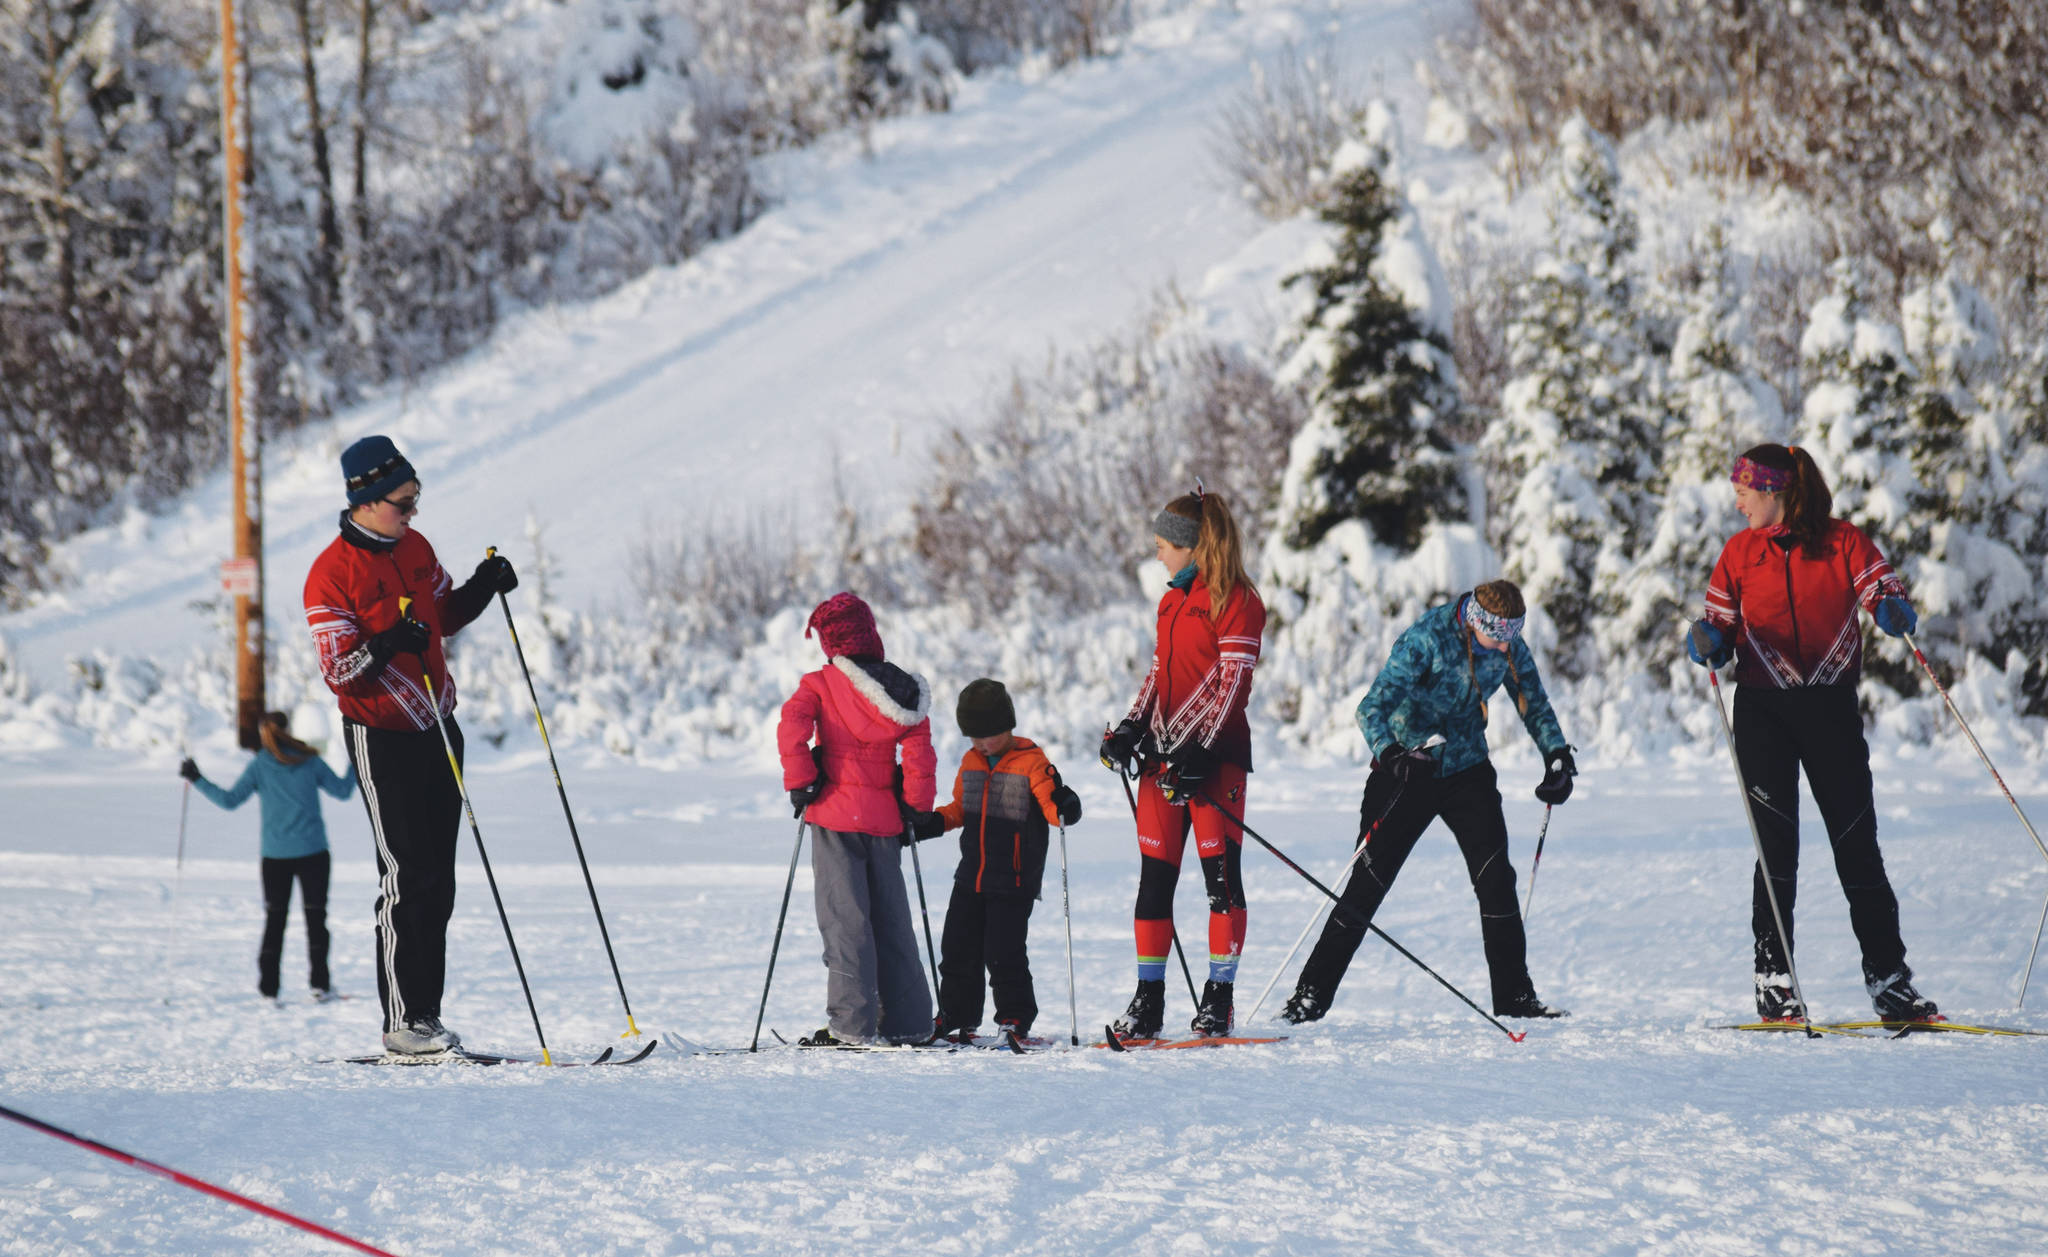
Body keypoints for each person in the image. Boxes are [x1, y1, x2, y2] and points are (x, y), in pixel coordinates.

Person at [1688, 442, 1940, 1024]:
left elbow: (1882, 589)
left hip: (1830, 711)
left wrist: (1891, 609)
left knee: (1858, 848)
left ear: (1775, 490)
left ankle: (1891, 984)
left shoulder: (1842, 541)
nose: (1738, 504)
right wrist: (1708, 642)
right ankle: (1776, 985)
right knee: (1776, 852)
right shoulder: (1738, 553)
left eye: (1744, 493)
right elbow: (1720, 626)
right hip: (1762, 714)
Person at [302, 434, 517, 1055]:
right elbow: (339, 672)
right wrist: (389, 641)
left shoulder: (416, 547)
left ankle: (426, 1016)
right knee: (405, 876)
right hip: (381, 735)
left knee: (438, 881)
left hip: (438, 728)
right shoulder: (330, 575)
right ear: (365, 500)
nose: (413, 511)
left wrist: (483, 584)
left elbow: (444, 613)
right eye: (402, 501)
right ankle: (402, 1022)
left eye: (416, 497)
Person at [1282, 579, 1574, 1025]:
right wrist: (1392, 753)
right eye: (1497, 635)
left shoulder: (1508, 642)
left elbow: (1531, 700)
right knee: (1366, 887)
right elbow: (1370, 708)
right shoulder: (1427, 640)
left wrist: (1556, 755)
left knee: (1497, 879)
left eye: (1511, 636)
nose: (1503, 645)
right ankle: (1308, 999)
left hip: (1467, 770)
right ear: (1476, 621)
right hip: (1407, 769)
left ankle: (1515, 998)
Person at [1100, 488, 1266, 1039]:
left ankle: (1219, 998)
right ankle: (1149, 1000)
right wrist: (1131, 727)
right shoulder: (1171, 602)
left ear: (1191, 545)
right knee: (1153, 884)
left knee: (1221, 884)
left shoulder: (1237, 599)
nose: (1157, 556)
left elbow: (1233, 684)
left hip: (1212, 766)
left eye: (1163, 546)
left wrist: (1204, 750)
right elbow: (1158, 676)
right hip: (1162, 765)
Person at [778, 592, 938, 1046]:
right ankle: (909, 1022)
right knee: (891, 920)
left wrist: (801, 780)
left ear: (833, 642)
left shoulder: (820, 684)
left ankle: (851, 1026)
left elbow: (791, 726)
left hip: (833, 816)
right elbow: (920, 755)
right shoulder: (901, 691)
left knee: (845, 921)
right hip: (885, 822)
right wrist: (915, 805)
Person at [906, 678, 1083, 1042]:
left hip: (1014, 878)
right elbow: (959, 809)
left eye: (987, 734)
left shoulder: (1033, 763)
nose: (980, 743)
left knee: (1004, 952)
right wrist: (931, 823)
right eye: (973, 736)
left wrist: (1068, 805)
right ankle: (956, 1015)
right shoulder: (971, 762)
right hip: (970, 875)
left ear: (1007, 725)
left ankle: (1014, 1018)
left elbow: (1054, 811)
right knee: (956, 948)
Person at [179, 712, 357, 1002]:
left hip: (275, 857)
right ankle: (320, 985)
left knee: (275, 921)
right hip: (314, 853)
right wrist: (355, 761)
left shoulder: (261, 765)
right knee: (316, 920)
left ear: (265, 734)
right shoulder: (308, 760)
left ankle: (269, 989)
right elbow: (343, 790)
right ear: (287, 730)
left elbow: (229, 800)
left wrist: (196, 778)